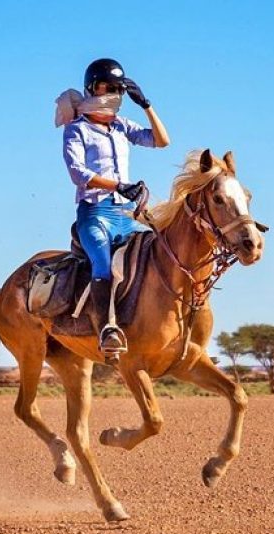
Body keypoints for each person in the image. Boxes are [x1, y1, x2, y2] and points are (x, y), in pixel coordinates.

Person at [56, 58, 170, 356]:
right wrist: (118, 185)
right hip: (95, 214)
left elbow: (161, 141)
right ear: (92, 88)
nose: (113, 93)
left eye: (118, 89)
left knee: (157, 252)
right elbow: (77, 174)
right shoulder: (76, 129)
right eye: (108, 86)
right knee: (103, 264)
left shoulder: (121, 126)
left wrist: (146, 104)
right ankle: (107, 328)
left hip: (125, 215)